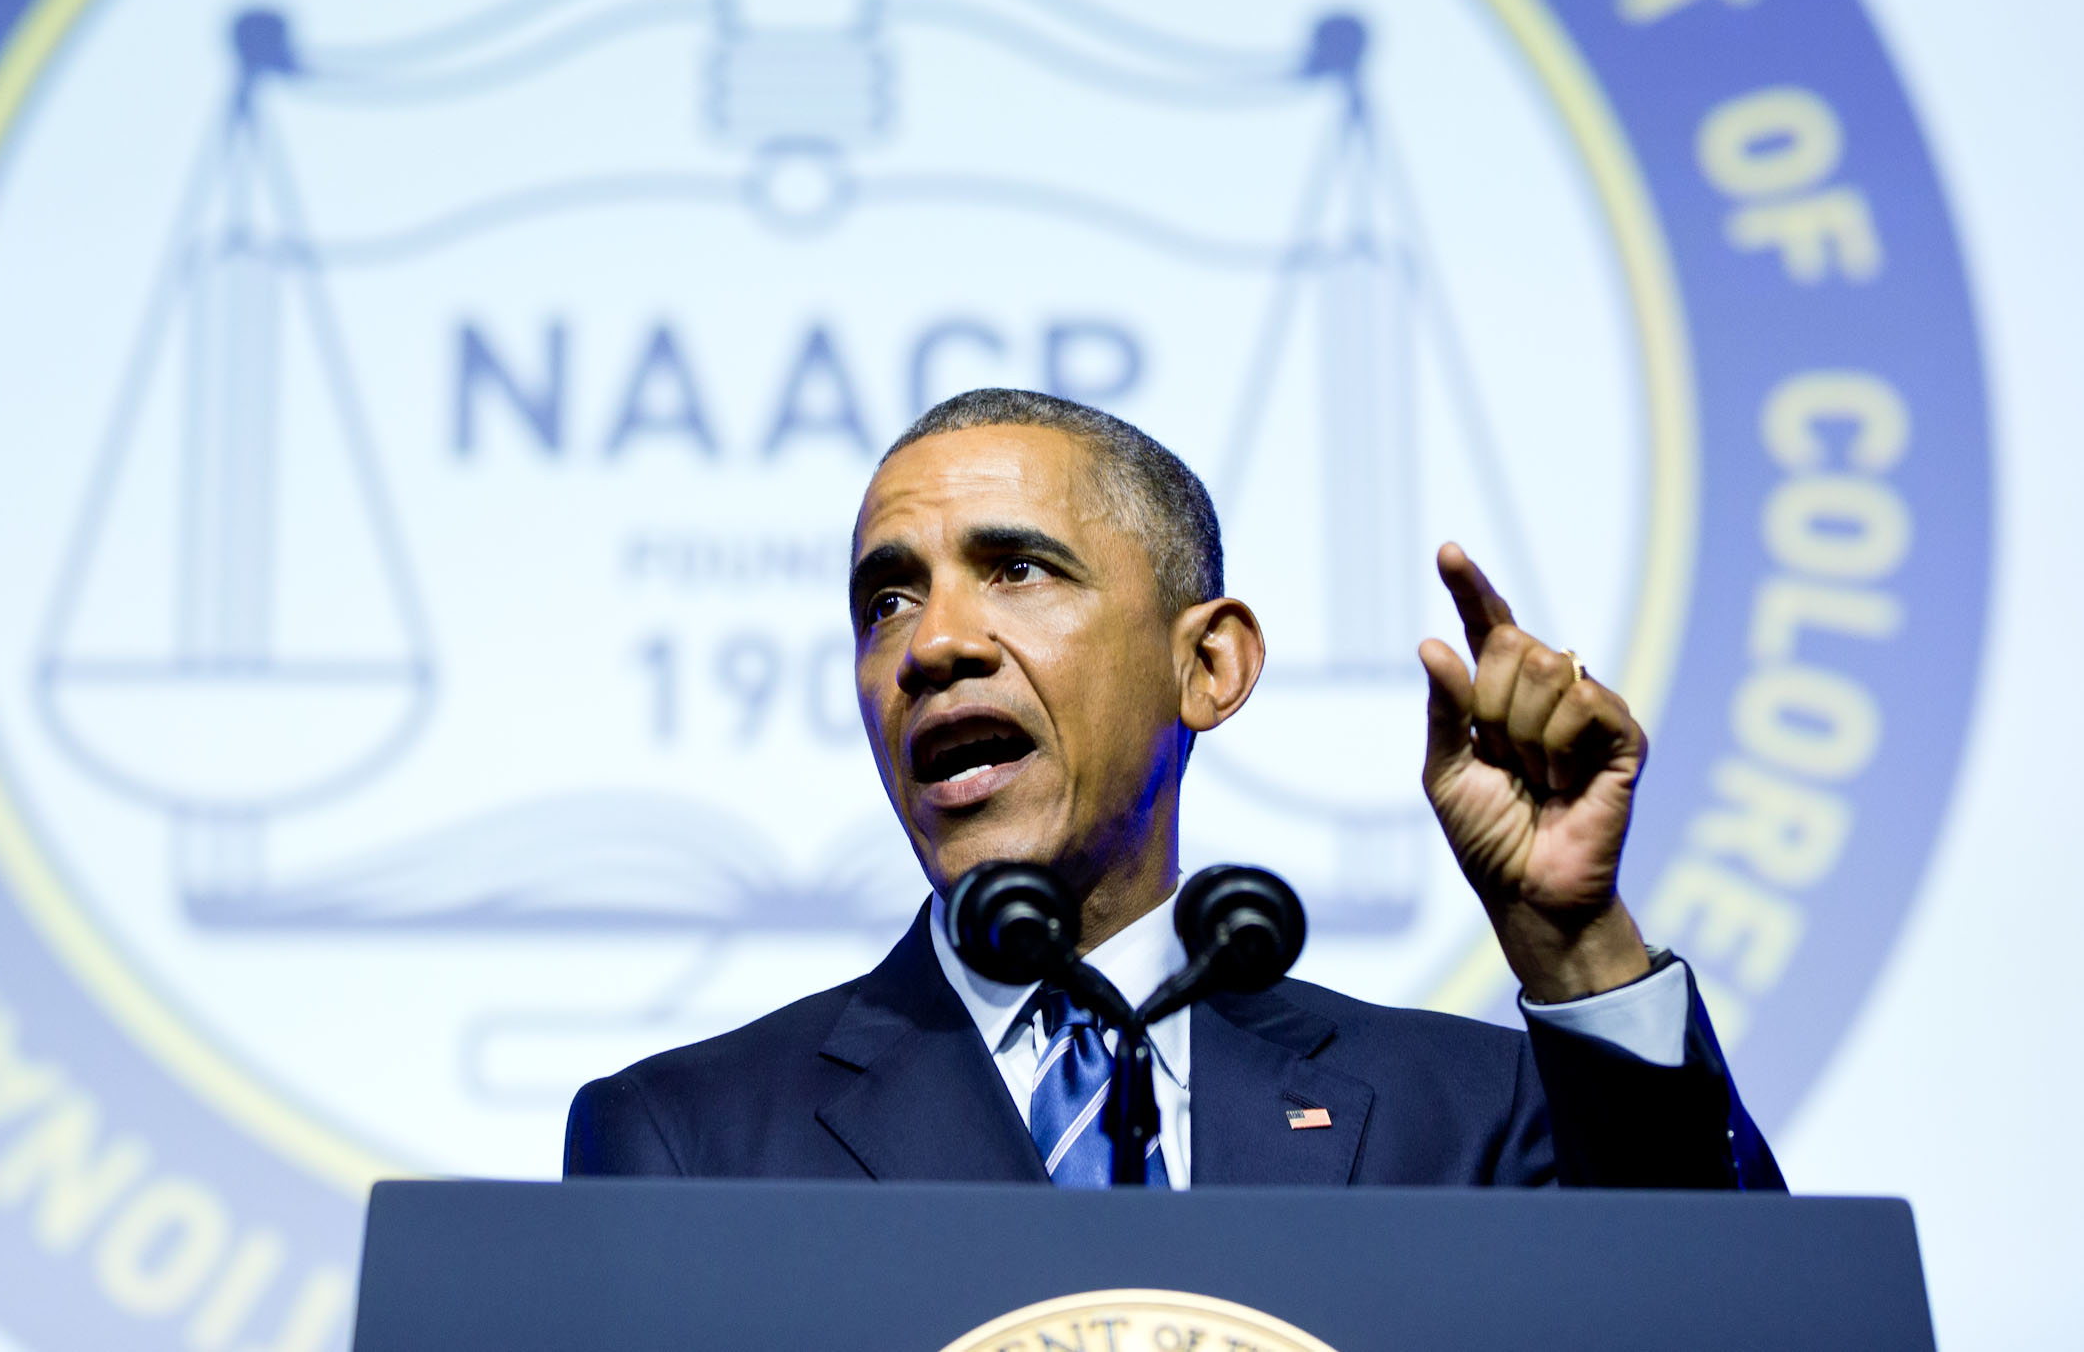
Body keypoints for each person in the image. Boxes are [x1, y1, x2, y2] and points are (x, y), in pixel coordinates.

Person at [564, 388, 1781, 1189]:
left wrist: (1576, 949)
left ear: (1209, 663)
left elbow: (1735, 1331)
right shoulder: (690, 1141)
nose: (932, 643)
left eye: (1017, 569)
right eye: (886, 600)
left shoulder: (1465, 1117)